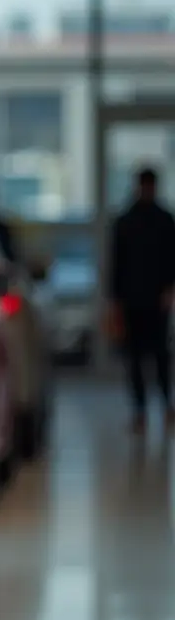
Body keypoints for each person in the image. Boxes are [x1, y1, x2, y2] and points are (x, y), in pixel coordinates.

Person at [107, 166, 175, 434]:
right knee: (135, 357)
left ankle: (166, 404)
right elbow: (117, 263)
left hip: (157, 299)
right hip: (132, 299)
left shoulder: (165, 220)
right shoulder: (125, 221)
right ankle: (139, 409)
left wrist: (170, 289)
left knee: (160, 355)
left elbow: (172, 258)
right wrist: (115, 300)